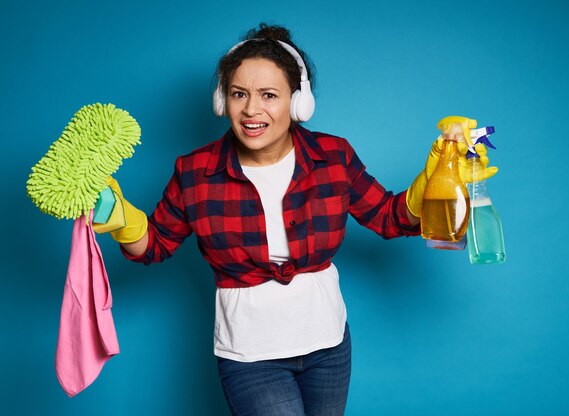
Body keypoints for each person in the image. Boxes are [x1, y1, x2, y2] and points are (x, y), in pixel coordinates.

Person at [97, 23, 495, 416]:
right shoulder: (195, 171)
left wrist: (431, 182)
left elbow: (388, 217)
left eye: (269, 95)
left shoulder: (333, 156)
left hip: (329, 346)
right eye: (239, 94)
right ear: (223, 100)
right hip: (250, 356)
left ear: (297, 102)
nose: (252, 110)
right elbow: (154, 244)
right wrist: (120, 218)